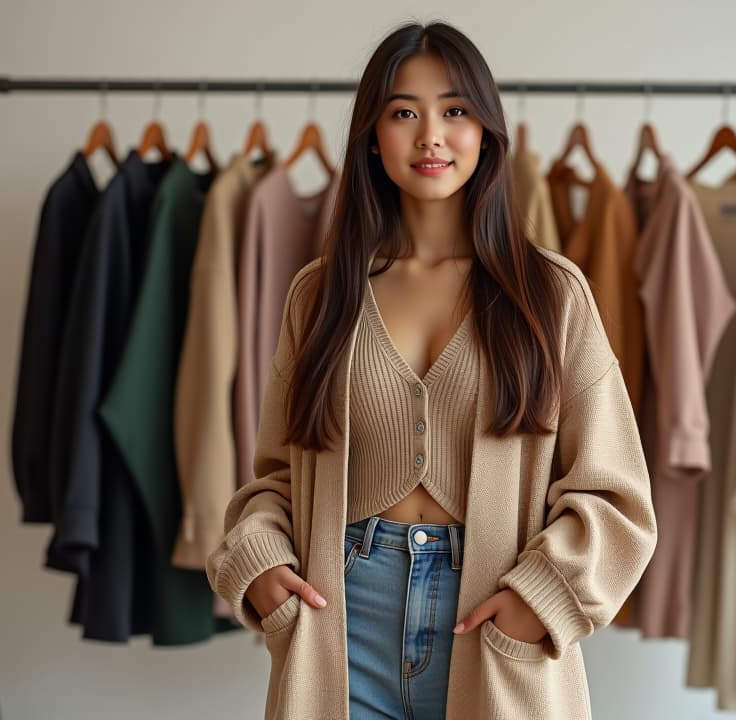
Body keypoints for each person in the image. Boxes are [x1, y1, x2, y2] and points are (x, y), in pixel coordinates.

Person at [206, 20, 657, 720]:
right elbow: (275, 480)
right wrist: (260, 562)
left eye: (455, 111)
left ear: (486, 131)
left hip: (491, 618)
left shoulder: (550, 294)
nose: (431, 136)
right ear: (372, 135)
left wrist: (539, 600)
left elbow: (616, 496)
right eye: (403, 113)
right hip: (342, 623)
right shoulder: (320, 294)